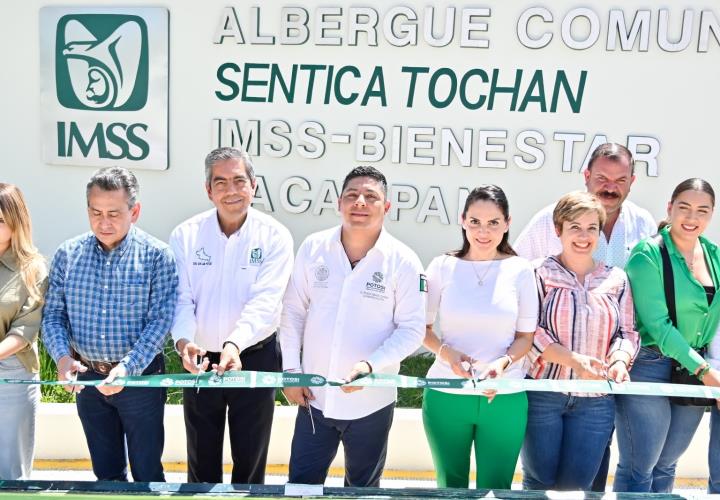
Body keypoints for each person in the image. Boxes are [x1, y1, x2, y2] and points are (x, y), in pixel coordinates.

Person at [514, 142, 655, 491]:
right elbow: (530, 325)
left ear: (632, 182)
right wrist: (573, 360)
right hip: (546, 388)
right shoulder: (539, 267)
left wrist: (621, 360)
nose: (611, 185)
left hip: (598, 393)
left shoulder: (622, 265)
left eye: (620, 179)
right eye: (603, 177)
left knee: (587, 484)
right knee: (539, 484)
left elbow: (627, 330)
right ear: (558, 230)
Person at [280, 166, 426, 487]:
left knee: (361, 492)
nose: (360, 201)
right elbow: (292, 312)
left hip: (371, 404)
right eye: (352, 195)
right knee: (300, 488)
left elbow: (412, 329)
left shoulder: (403, 261)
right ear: (339, 202)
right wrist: (291, 371)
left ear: (386, 207)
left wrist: (371, 365)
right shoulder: (314, 248)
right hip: (314, 400)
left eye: (371, 196)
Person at [42, 167, 178, 482]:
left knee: (147, 472)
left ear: (135, 211)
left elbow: (160, 321)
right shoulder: (68, 254)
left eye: (114, 213)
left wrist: (129, 368)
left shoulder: (157, 256)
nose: (104, 222)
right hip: (87, 380)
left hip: (140, 380)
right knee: (105, 472)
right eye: (95, 212)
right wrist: (63, 358)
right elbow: (54, 316)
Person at [170, 147, 294, 484]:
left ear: (254, 186)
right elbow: (180, 300)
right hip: (199, 360)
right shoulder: (185, 235)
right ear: (208, 190)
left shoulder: (275, 236)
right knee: (201, 454)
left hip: (254, 356)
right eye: (221, 182)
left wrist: (234, 345)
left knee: (251, 457)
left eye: (239, 181)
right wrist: (185, 344)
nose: (231, 190)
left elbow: (265, 301)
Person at [422, 185, 537, 489]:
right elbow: (423, 330)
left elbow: (526, 337)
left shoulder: (521, 270)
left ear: (507, 223)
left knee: (497, 489)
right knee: (450, 487)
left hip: (504, 397)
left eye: (493, 223)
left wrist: (501, 364)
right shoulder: (442, 266)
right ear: (462, 220)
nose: (483, 232)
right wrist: (448, 354)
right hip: (446, 394)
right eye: (475, 222)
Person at [614, 178, 720, 493]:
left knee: (667, 464)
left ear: (711, 215)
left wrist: (704, 366)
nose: (692, 218)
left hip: (693, 371)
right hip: (651, 365)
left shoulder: (714, 255)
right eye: (684, 208)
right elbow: (658, 326)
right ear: (669, 208)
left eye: (702, 210)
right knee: (639, 468)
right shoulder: (647, 253)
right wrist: (704, 369)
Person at [0, 184, 47, 479]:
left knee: (11, 471)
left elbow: (25, 329)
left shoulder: (33, 268)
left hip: (12, 372)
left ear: (15, 221)